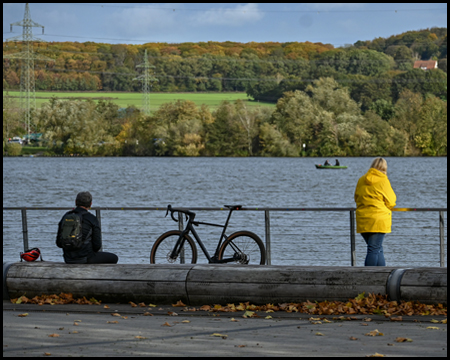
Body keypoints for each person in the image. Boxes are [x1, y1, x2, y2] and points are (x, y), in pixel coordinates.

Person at [354, 158, 396, 266]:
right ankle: (369, 276)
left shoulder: (361, 179)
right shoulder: (383, 180)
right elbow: (391, 201)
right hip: (378, 220)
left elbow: (356, 198)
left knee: (377, 248)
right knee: (373, 249)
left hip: (363, 218)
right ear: (385, 168)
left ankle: (382, 274)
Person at [56, 191, 118, 264]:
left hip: (68, 259)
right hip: (86, 258)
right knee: (114, 258)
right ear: (90, 204)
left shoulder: (66, 216)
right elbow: (97, 246)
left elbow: (59, 243)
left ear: (76, 202)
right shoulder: (92, 219)